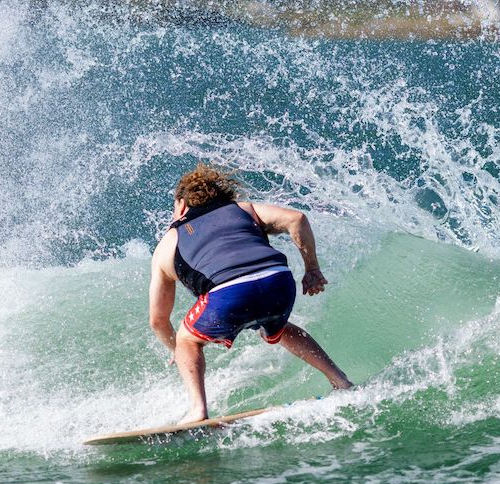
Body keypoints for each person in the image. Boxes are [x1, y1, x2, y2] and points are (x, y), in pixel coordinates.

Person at [149, 164, 353, 424]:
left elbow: (158, 320)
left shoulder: (169, 241)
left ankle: (198, 410)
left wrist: (177, 348)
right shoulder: (244, 209)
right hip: (278, 282)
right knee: (276, 327)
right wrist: (311, 269)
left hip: (229, 293)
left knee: (187, 340)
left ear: (181, 205)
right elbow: (296, 219)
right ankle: (340, 381)